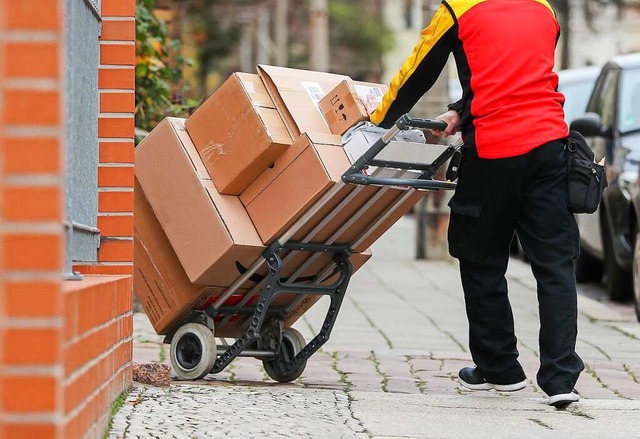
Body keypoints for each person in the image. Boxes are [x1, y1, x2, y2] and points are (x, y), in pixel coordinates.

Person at [369, 0, 584, 407]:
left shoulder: (459, 8)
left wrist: (375, 121)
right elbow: (515, 73)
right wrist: (460, 109)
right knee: (555, 263)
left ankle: (500, 369)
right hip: (549, 149)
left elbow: (417, 72)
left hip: (494, 151)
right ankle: (560, 379)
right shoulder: (544, 8)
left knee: (480, 256)